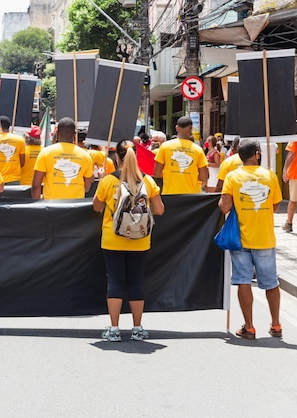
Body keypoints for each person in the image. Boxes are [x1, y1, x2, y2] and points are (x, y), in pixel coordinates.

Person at [92, 139, 164, 341]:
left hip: (112, 239)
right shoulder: (147, 181)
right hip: (140, 240)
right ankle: (137, 328)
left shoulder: (108, 181)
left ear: (117, 157)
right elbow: (159, 210)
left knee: (114, 281)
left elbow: (96, 207)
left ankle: (114, 329)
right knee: (136, 282)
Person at [218, 138, 282, 340]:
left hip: (240, 238)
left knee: (243, 281)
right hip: (265, 237)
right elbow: (275, 205)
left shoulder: (233, 176)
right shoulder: (269, 175)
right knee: (271, 283)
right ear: (257, 154)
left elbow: (224, 206)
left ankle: (249, 326)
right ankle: (276, 325)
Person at [31, 117, 93, 199]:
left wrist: (37, 207)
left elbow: (36, 185)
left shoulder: (46, 152)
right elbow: (87, 188)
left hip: (51, 206)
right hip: (76, 206)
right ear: (74, 134)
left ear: (57, 132)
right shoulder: (85, 155)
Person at [154, 116, 208, 194]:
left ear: (176, 128)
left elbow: (157, 173)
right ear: (191, 129)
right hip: (192, 196)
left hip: (169, 194)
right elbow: (204, 177)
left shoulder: (165, 146)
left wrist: (171, 175)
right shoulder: (198, 150)